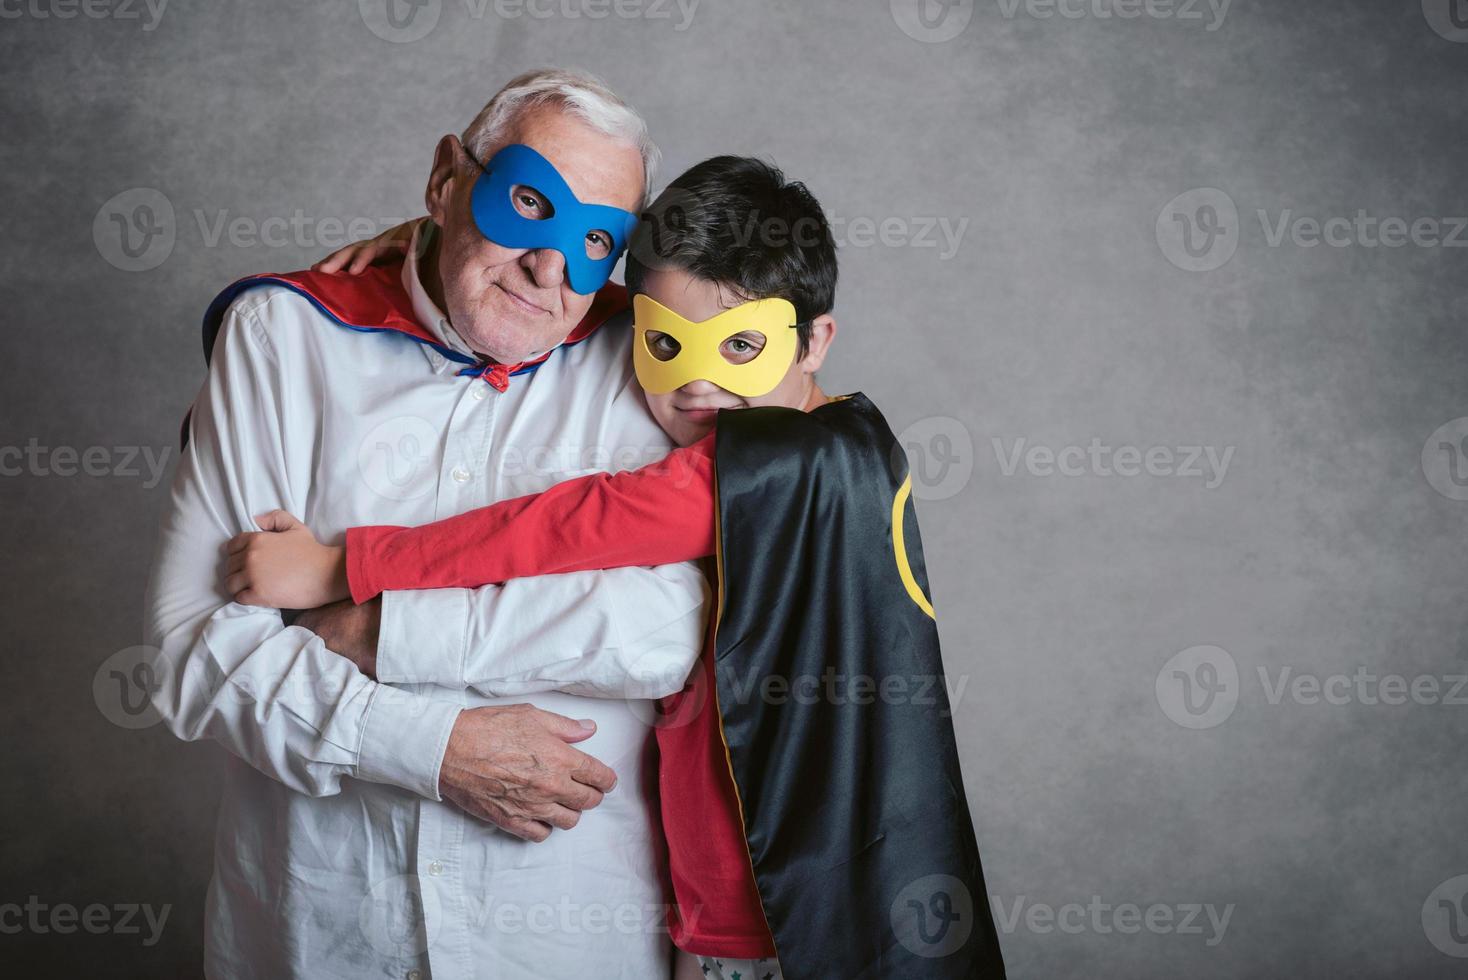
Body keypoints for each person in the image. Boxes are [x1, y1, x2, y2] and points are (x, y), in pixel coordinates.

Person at [224, 156, 1009, 979]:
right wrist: (435, 250)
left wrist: (342, 567)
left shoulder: (748, 469)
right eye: (666, 346)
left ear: (816, 340)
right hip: (757, 900)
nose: (700, 379)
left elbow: (557, 528)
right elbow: (607, 293)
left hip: (778, 912)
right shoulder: (847, 439)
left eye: (741, 346)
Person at [143, 68, 712, 979]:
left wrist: (385, 633)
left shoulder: (657, 367)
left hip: (571, 936)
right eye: (529, 202)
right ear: (447, 179)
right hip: (321, 930)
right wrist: (431, 749)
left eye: (598, 238)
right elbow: (195, 653)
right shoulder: (284, 340)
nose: (550, 267)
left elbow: (696, 624)